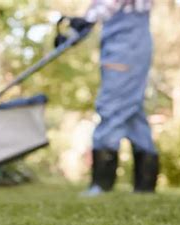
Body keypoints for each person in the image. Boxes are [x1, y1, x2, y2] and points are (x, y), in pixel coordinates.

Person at [68, 0, 159, 196]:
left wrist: (88, 19)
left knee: (112, 106)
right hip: (125, 42)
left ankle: (102, 184)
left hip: (127, 44)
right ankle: (145, 186)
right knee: (132, 113)